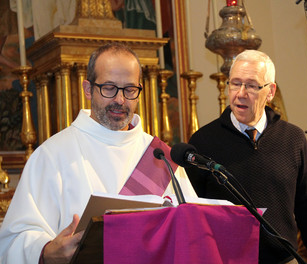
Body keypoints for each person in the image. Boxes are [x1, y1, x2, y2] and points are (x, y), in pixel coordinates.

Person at [0, 42, 197, 263]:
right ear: (88, 89)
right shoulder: (53, 155)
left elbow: (192, 230)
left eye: (130, 89)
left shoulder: (161, 157)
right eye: (109, 88)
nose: (120, 100)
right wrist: (46, 251)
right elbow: (14, 240)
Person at [185, 50, 307, 264]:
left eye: (252, 85)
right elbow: (190, 214)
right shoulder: (203, 142)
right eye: (235, 83)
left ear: (270, 91)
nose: (240, 93)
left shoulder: (293, 138)